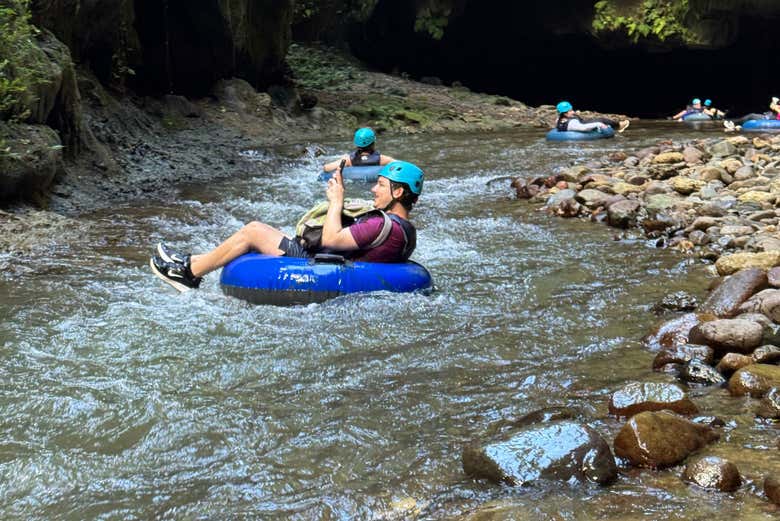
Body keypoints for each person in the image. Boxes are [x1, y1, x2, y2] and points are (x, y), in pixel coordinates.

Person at [149, 161, 424, 292]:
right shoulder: (406, 229)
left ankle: (188, 273)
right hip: (339, 263)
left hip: (320, 264)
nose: (375, 189)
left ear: (398, 193)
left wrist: (336, 200)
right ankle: (192, 261)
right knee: (264, 232)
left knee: (254, 230)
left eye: (382, 185)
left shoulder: (380, 224)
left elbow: (331, 239)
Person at [322, 127, 394, 172]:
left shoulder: (349, 160)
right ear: (373, 143)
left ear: (356, 144)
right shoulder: (382, 159)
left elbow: (326, 168)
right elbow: (401, 165)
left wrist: (343, 159)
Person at [554, 101, 630, 133]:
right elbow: (584, 128)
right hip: (580, 125)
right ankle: (620, 125)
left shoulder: (558, 120)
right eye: (570, 111)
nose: (573, 112)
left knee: (592, 119)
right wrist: (599, 124)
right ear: (564, 113)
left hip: (579, 123)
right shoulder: (572, 123)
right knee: (601, 120)